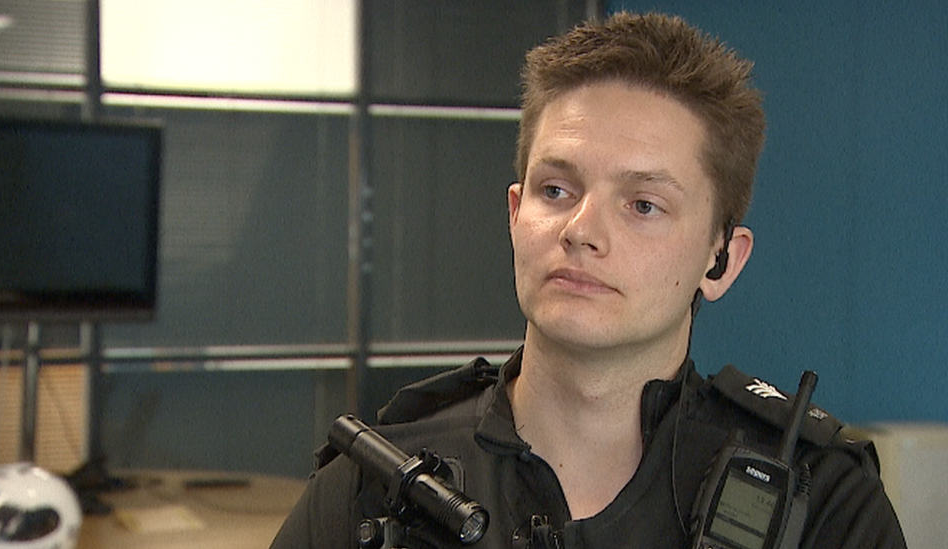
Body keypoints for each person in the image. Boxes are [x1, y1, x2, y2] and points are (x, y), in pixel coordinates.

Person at [270, 11, 906, 549]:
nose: (581, 229)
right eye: (556, 189)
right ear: (516, 216)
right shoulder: (373, 487)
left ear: (721, 261)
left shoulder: (822, 507)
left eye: (643, 205)